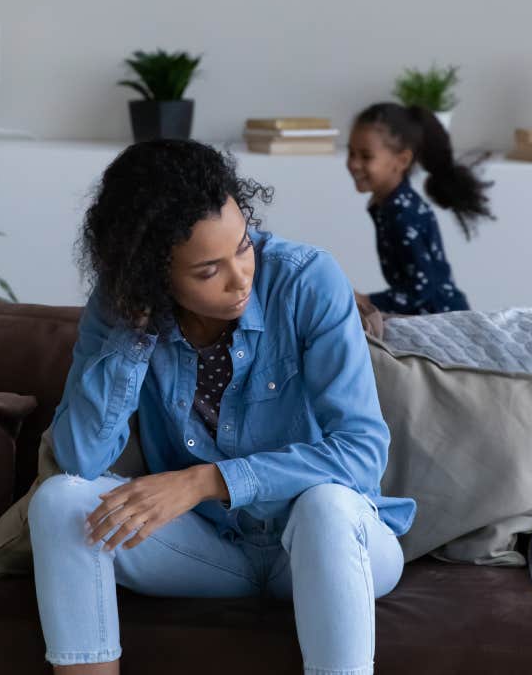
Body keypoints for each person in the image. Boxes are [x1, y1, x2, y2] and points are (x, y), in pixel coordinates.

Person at [28, 138, 415, 675]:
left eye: (243, 246)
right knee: (60, 502)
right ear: (152, 274)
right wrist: (133, 332)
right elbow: (80, 459)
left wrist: (206, 481)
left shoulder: (307, 280)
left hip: (324, 547)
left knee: (325, 505)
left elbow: (361, 453)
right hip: (209, 551)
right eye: (208, 271)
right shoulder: (120, 308)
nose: (240, 278)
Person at [346, 102, 493, 314]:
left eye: (366, 156)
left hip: (441, 323)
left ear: (402, 160)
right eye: (351, 153)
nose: (354, 164)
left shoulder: (402, 213)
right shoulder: (389, 206)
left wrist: (366, 300)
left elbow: (420, 289)